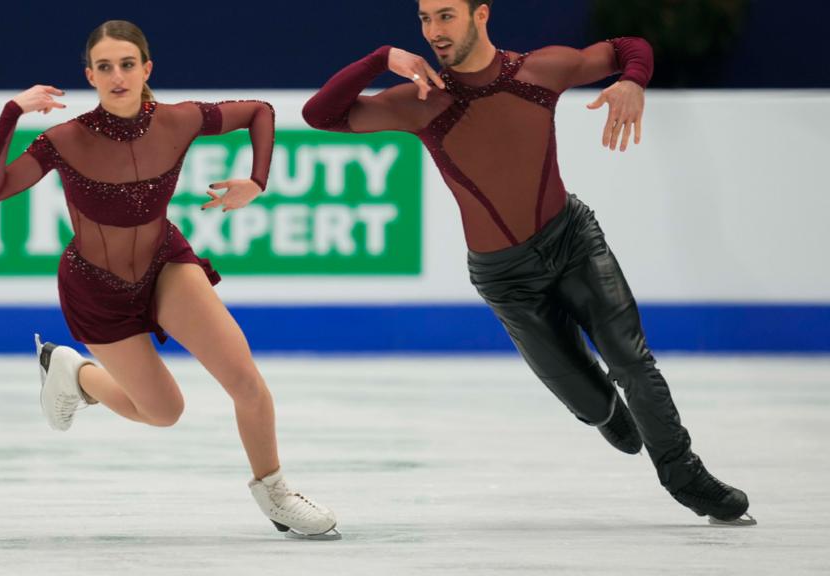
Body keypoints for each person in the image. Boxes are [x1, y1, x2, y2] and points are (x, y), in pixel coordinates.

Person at [302, 0, 754, 526]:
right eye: (424, 19)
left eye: (445, 16)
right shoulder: (423, 102)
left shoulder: (538, 72)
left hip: (573, 241)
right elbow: (321, 116)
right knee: (590, 402)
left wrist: (633, 80)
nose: (433, 31)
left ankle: (686, 476)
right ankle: (604, 410)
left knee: (632, 362)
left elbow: (630, 47)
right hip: (506, 278)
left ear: (480, 15)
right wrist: (382, 57)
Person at [0, 19, 339, 539]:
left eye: (127, 64)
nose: (117, 76)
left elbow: (260, 111)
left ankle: (276, 494)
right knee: (163, 411)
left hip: (165, 265)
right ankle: (74, 373)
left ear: (146, 69)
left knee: (245, 380)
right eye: (105, 67)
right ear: (90, 76)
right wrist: (12, 113)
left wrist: (257, 181)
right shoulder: (64, 139)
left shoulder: (180, 119)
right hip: (96, 289)